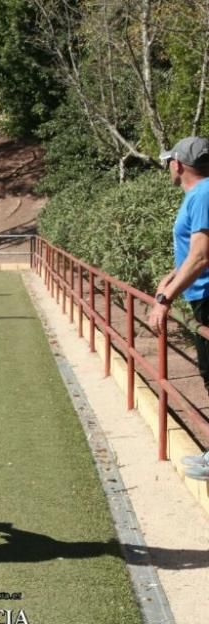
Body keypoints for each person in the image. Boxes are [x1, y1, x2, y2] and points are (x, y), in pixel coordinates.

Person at [149, 137, 209, 461]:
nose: (168, 167)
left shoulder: (203, 193)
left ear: (178, 164)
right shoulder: (200, 195)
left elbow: (201, 257)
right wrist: (170, 279)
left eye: (169, 161)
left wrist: (164, 298)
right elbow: (193, 255)